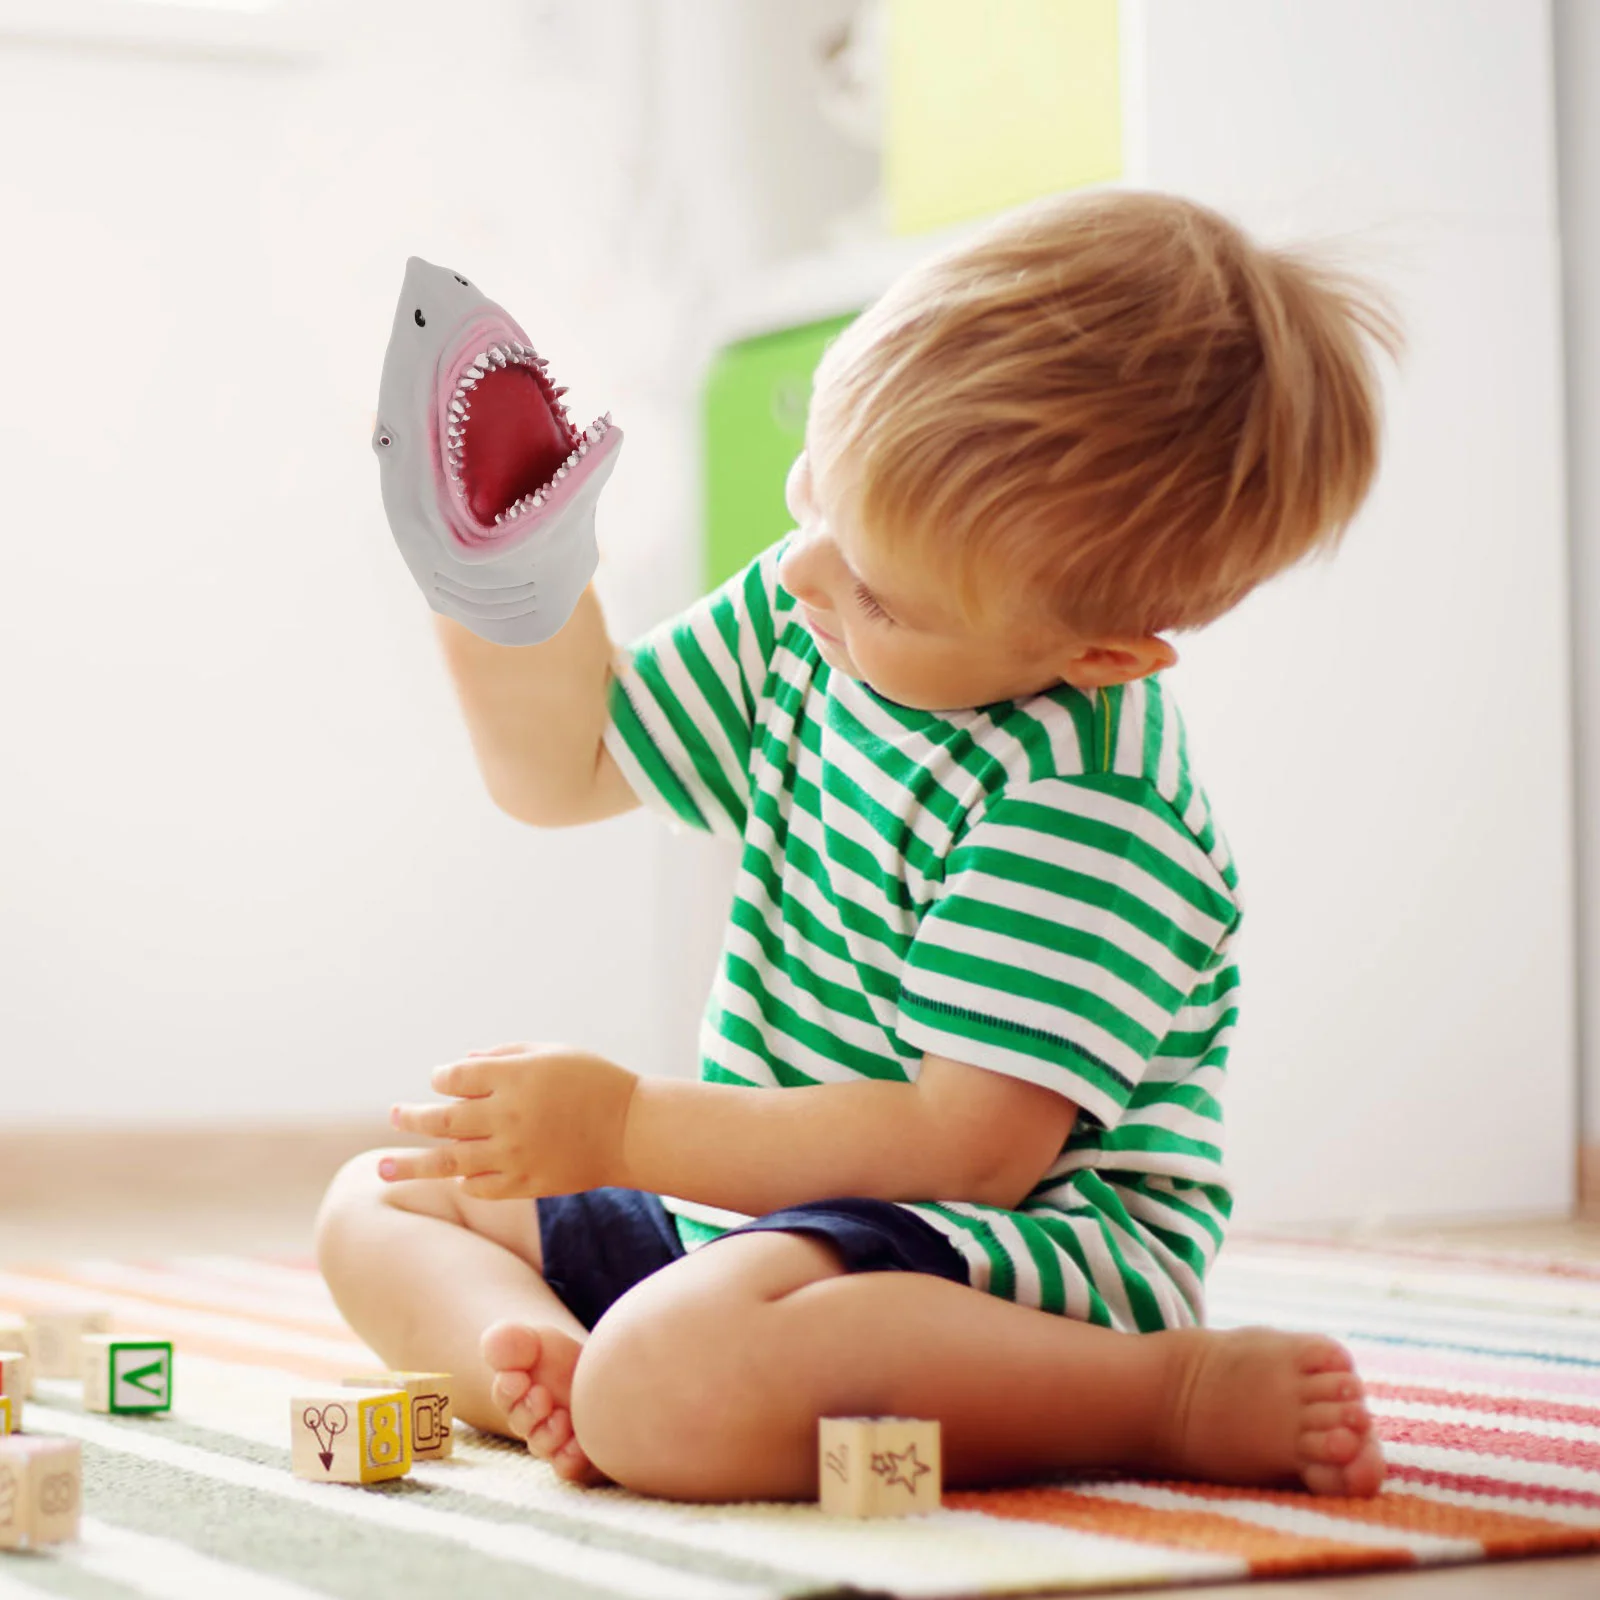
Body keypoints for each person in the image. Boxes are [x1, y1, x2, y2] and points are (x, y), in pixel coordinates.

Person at [317, 187, 1399, 1503]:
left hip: (1007, 1263)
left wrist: (628, 1125)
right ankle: (551, 1369)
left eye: (878, 589)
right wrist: (507, 577)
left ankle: (1162, 1397)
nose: (804, 575)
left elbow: (965, 1152)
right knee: (381, 1197)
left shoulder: (1087, 800)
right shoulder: (824, 604)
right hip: (769, 1230)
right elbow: (577, 763)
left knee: (676, 1377)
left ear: (1099, 654)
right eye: (814, 487)